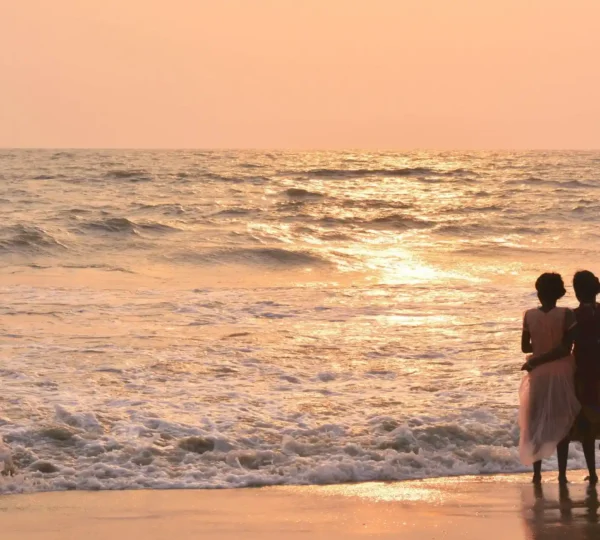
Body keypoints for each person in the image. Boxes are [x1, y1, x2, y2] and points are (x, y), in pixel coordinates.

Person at [525, 270, 600, 485]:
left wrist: (538, 354)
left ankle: (546, 474)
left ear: (577, 293)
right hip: (592, 371)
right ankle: (591, 474)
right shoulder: (574, 315)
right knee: (590, 423)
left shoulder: (574, 314)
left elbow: (566, 345)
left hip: (581, 372)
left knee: (573, 422)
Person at [519, 273, 580, 484]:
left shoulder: (528, 315)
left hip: (538, 373)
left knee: (537, 423)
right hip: (562, 372)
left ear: (538, 292)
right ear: (560, 293)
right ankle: (562, 475)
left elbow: (525, 347)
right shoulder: (567, 314)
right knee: (561, 421)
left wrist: (537, 357)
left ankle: (537, 474)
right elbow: (566, 349)